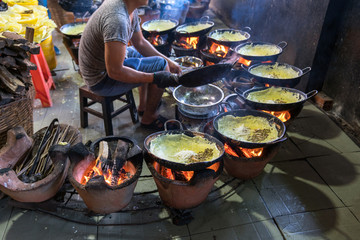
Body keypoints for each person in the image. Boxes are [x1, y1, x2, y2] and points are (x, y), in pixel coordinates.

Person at [79, 0, 182, 131]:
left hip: (103, 66)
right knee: (161, 66)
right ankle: (149, 117)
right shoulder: (117, 19)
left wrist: (169, 61)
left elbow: (140, 43)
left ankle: (144, 106)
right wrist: (155, 77)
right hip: (100, 80)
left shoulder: (129, 8)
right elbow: (115, 71)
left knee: (160, 62)